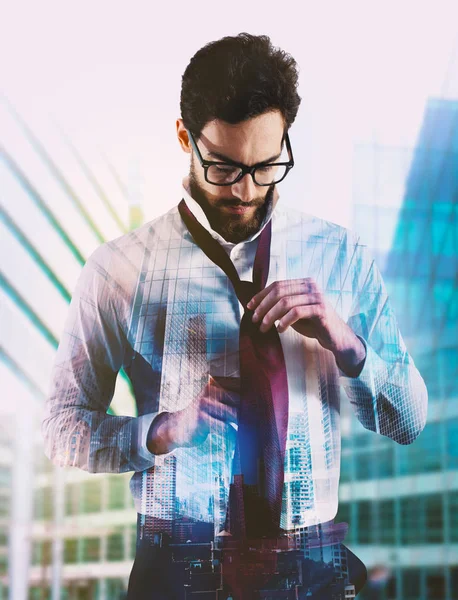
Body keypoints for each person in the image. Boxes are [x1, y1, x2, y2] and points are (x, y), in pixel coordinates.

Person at [42, 33, 428, 599]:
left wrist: (347, 344)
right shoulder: (117, 271)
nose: (247, 190)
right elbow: (60, 428)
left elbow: (411, 420)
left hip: (312, 566)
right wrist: (161, 430)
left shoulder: (339, 256)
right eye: (224, 167)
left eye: (267, 165)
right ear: (184, 138)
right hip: (175, 570)